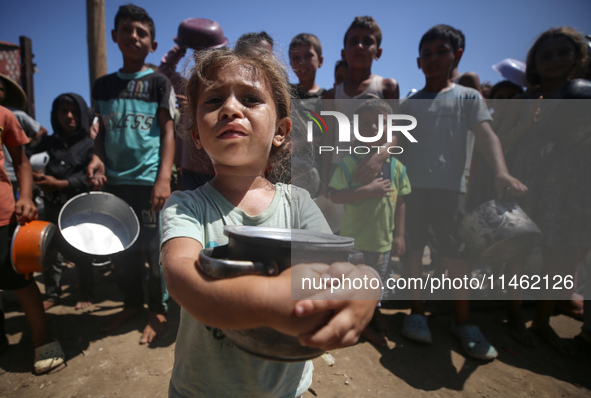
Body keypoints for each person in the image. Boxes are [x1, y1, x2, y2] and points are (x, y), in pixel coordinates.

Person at [160, 46, 380, 397]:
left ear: (281, 131)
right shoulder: (186, 206)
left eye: (250, 98)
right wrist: (270, 297)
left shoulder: (298, 203)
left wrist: (367, 287)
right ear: (197, 136)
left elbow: (346, 266)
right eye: (214, 101)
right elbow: (182, 279)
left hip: (286, 390)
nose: (231, 108)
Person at [398, 24, 527, 360]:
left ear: (457, 55)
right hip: (412, 191)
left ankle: (463, 320)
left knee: (457, 255)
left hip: (451, 191)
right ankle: (416, 311)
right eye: (426, 54)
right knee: (412, 249)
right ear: (418, 61)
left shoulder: (468, 98)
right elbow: (396, 144)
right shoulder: (410, 103)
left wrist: (501, 172)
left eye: (441, 51)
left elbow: (487, 137)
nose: (433, 59)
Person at [86, 4, 175, 345]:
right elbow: (101, 133)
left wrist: (164, 178)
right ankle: (131, 304)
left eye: (142, 33)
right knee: (121, 251)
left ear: (153, 44)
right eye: (127, 30)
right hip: (115, 184)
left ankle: (158, 308)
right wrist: (97, 159)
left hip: (149, 182)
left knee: (154, 251)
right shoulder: (104, 86)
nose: (134, 37)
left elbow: (168, 131)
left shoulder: (158, 82)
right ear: (114, 37)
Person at [501, 27, 590, 353]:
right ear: (534, 63)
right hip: (526, 181)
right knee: (520, 249)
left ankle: (542, 319)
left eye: (562, 53)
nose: (554, 60)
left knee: (561, 250)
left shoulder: (582, 94)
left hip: (569, 185)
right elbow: (501, 142)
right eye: (546, 55)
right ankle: (513, 313)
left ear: (577, 58)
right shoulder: (522, 101)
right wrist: (527, 127)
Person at [328, 99, 411, 346]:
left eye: (379, 123)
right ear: (356, 130)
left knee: (376, 284)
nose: (373, 128)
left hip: (383, 241)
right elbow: (335, 195)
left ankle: (371, 318)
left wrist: (400, 235)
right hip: (356, 241)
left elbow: (402, 200)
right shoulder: (349, 164)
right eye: (366, 124)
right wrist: (366, 190)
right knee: (355, 283)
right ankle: (361, 324)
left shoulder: (398, 166)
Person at [0, 105, 65, 374]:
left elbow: (20, 160)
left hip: (2, 212)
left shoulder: (4, 115)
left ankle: (42, 337)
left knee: (17, 276)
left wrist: (25, 196)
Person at [29, 93, 95, 310]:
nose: (69, 116)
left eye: (74, 111)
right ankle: (52, 293)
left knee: (81, 251)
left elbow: (88, 176)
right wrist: (35, 176)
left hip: (78, 208)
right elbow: (22, 160)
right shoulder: (47, 143)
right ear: (55, 115)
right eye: (63, 111)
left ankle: (85, 291)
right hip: (50, 206)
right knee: (48, 249)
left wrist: (60, 183)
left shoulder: (89, 144)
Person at [321, 16, 400, 195]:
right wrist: (325, 178)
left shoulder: (387, 87)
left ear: (378, 52)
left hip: (373, 170)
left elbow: (397, 133)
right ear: (344, 52)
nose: (359, 46)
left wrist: (379, 156)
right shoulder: (332, 95)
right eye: (354, 41)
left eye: (367, 41)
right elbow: (329, 137)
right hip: (339, 171)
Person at [159, 18, 228, 191]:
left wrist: (194, 106)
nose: (200, 58)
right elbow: (165, 71)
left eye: (205, 53)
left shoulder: (225, 86)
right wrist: (180, 48)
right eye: (196, 53)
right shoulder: (186, 86)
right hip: (189, 165)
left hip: (216, 165)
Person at [0, 74, 48, 198]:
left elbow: (42, 130)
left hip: (10, 171)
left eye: (1, 89)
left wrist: (29, 140)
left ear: (6, 94)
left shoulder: (15, 115)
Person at [289, 33, 325, 100]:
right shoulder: (284, 94)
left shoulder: (328, 97)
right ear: (291, 63)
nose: (302, 62)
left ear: (320, 60)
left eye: (308, 55)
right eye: (296, 58)